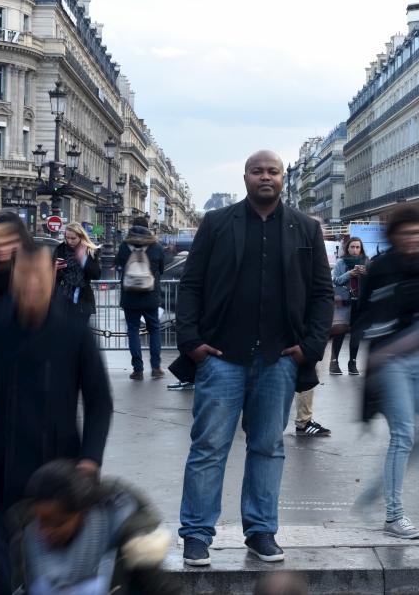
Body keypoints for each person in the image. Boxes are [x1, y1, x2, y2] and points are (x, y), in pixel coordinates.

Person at [171, 150, 333, 566]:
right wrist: (191, 342)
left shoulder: (305, 228)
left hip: (279, 359)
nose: (266, 177)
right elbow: (190, 286)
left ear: (283, 178)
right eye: (258, 171)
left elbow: (321, 293)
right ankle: (196, 534)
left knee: (267, 447)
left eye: (273, 171)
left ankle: (261, 531)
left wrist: (310, 348)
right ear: (245, 177)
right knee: (209, 447)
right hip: (222, 357)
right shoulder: (217, 223)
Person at [0, 242, 113, 594]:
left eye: (40, 276)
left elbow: (99, 401)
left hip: (61, 466)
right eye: (24, 275)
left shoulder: (74, 327)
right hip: (3, 463)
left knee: (61, 566)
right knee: (7, 561)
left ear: (53, 276)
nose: (32, 284)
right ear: (13, 277)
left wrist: (90, 460)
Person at [354, 203, 419, 539]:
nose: (416, 239)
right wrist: (389, 346)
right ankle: (394, 516)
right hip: (390, 361)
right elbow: (366, 317)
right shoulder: (382, 268)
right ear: (393, 237)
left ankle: (375, 492)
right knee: (404, 434)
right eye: (407, 234)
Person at [10, 460, 175, 595]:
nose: (46, 531)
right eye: (40, 521)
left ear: (81, 512)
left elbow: (159, 588)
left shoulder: (122, 539)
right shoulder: (27, 541)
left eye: (58, 523)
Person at [117, 216, 165, 380]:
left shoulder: (124, 246)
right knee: (154, 329)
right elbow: (161, 269)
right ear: (148, 228)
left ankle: (137, 369)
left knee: (133, 331)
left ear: (132, 227)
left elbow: (120, 265)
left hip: (129, 295)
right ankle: (156, 367)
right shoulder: (156, 247)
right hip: (150, 295)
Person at [329, 236, 367, 376]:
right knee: (340, 333)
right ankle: (334, 362)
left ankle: (352, 363)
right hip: (344, 303)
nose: (355, 250)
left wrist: (364, 274)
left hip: (359, 304)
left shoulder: (365, 263)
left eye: (358, 247)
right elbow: (334, 280)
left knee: (356, 335)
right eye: (352, 247)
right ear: (348, 248)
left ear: (361, 249)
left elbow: (371, 285)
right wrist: (348, 274)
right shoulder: (340, 262)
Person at [54, 222, 102, 319]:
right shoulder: (61, 249)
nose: (69, 241)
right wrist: (53, 268)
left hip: (82, 299)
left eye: (73, 238)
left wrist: (83, 260)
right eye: (67, 238)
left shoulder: (90, 251)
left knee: (79, 331)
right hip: (61, 297)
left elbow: (96, 274)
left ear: (81, 237)